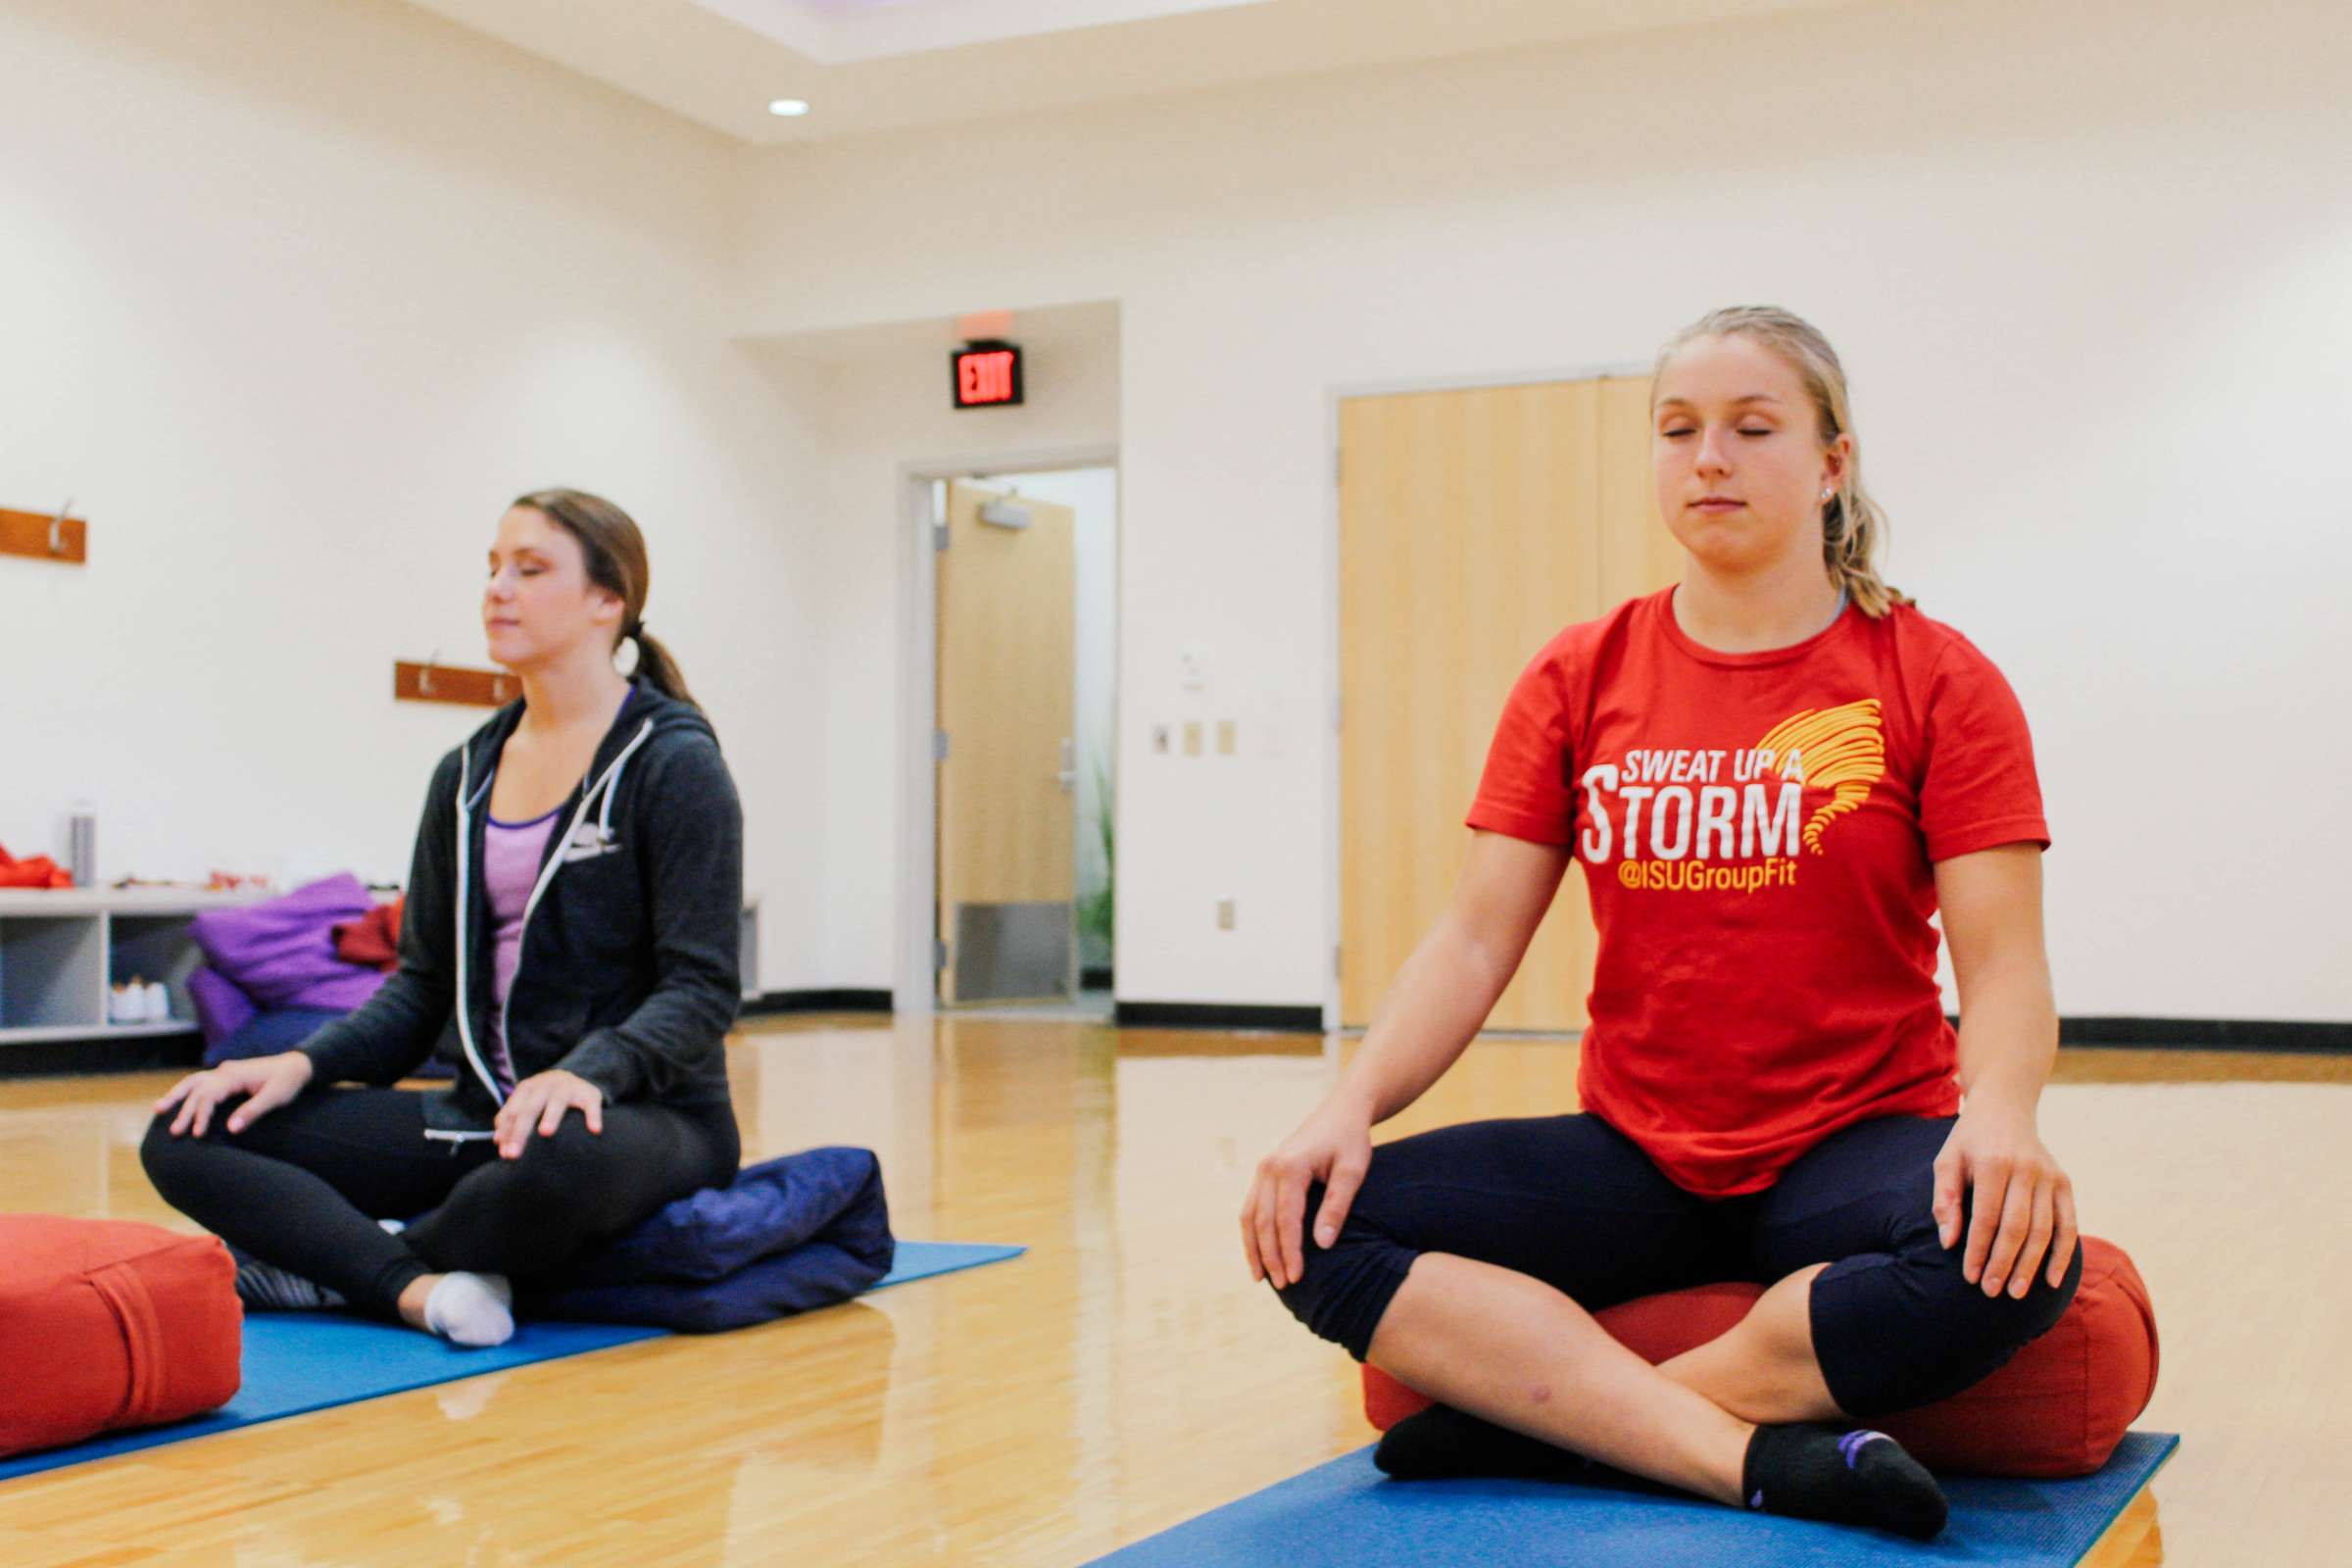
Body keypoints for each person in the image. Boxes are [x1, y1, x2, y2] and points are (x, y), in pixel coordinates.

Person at [1242, 307, 2082, 1540]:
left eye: (1753, 428)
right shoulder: (1580, 673)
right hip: (1637, 1151)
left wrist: (2002, 1118)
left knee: (2022, 1257)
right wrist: (1346, 1107)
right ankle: (1749, 1457)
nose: (1709, 460)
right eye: (1678, 429)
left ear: (1833, 463)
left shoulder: (1934, 676)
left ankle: (1535, 1428)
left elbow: (2003, 960)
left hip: (1853, 1139)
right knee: (1309, 1222)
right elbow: (1475, 939)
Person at [144, 488, 744, 1348]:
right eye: (493, 568)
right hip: (483, 1116)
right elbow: (420, 988)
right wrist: (298, 1067)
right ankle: (417, 1287)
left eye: (530, 570)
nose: (498, 589)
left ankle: (335, 1267)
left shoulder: (674, 763)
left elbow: (702, 987)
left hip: (636, 1120)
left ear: (607, 602)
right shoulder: (464, 772)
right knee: (190, 1127)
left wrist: (589, 1072)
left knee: (554, 1164)